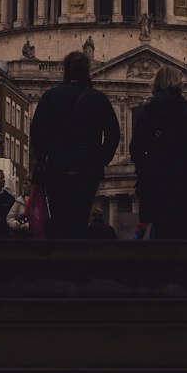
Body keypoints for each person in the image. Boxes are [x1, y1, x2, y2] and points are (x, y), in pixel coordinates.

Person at [29, 50, 121, 239]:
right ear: (87, 71)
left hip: (57, 167)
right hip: (87, 168)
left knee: (59, 216)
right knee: (80, 216)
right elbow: (113, 134)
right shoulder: (98, 99)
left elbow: (37, 133)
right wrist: (100, 160)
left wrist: (43, 159)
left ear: (65, 71)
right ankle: (78, 261)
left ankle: (60, 261)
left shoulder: (50, 97)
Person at [129, 66, 187, 240]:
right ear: (179, 84)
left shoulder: (146, 113)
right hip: (185, 184)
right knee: (185, 238)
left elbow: (135, 149)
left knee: (159, 238)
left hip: (155, 185)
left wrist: (145, 172)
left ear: (156, 84)